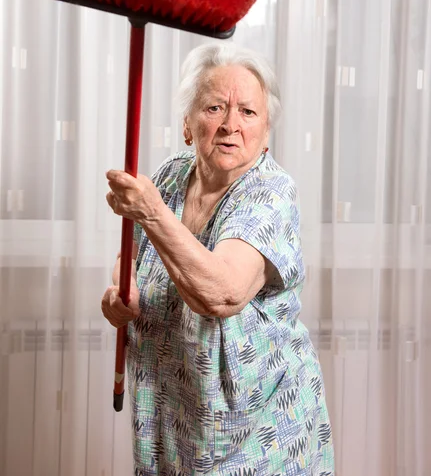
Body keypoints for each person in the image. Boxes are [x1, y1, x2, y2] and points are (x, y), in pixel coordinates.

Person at [101, 42, 334, 476]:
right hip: (174, 418)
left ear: (266, 131)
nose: (231, 125)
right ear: (187, 125)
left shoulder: (271, 194)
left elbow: (221, 294)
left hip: (256, 432)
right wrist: (121, 292)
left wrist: (150, 210)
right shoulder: (172, 173)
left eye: (248, 112)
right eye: (214, 108)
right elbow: (130, 257)